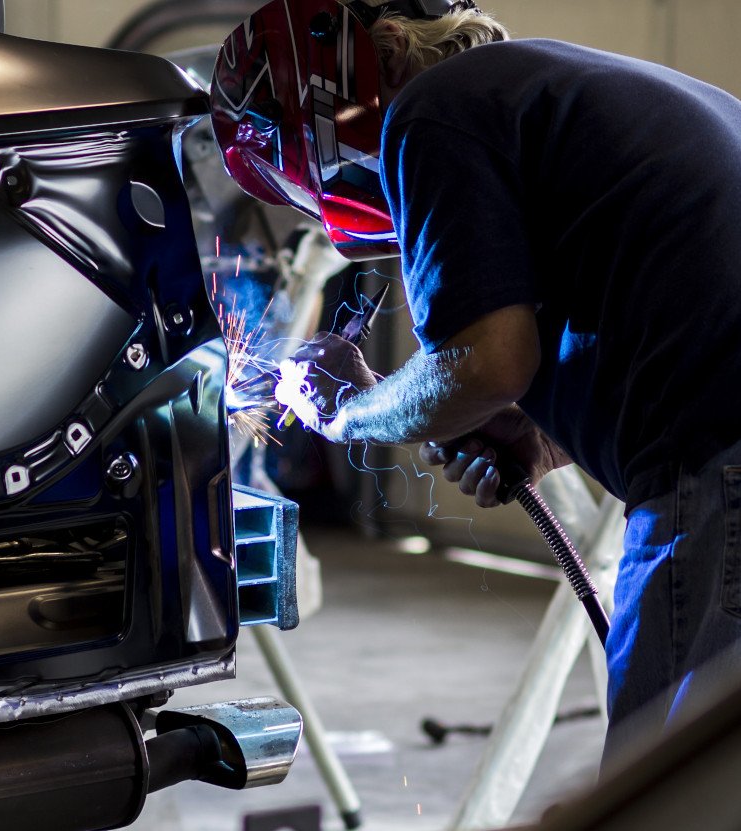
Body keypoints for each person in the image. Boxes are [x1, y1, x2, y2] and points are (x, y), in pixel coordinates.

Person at [218, 0, 741, 769]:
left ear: (370, 59)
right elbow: (668, 312)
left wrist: (348, 406)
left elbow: (488, 362)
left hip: (720, 473)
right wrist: (538, 437)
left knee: (662, 789)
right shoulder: (554, 89)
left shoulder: (433, 110)